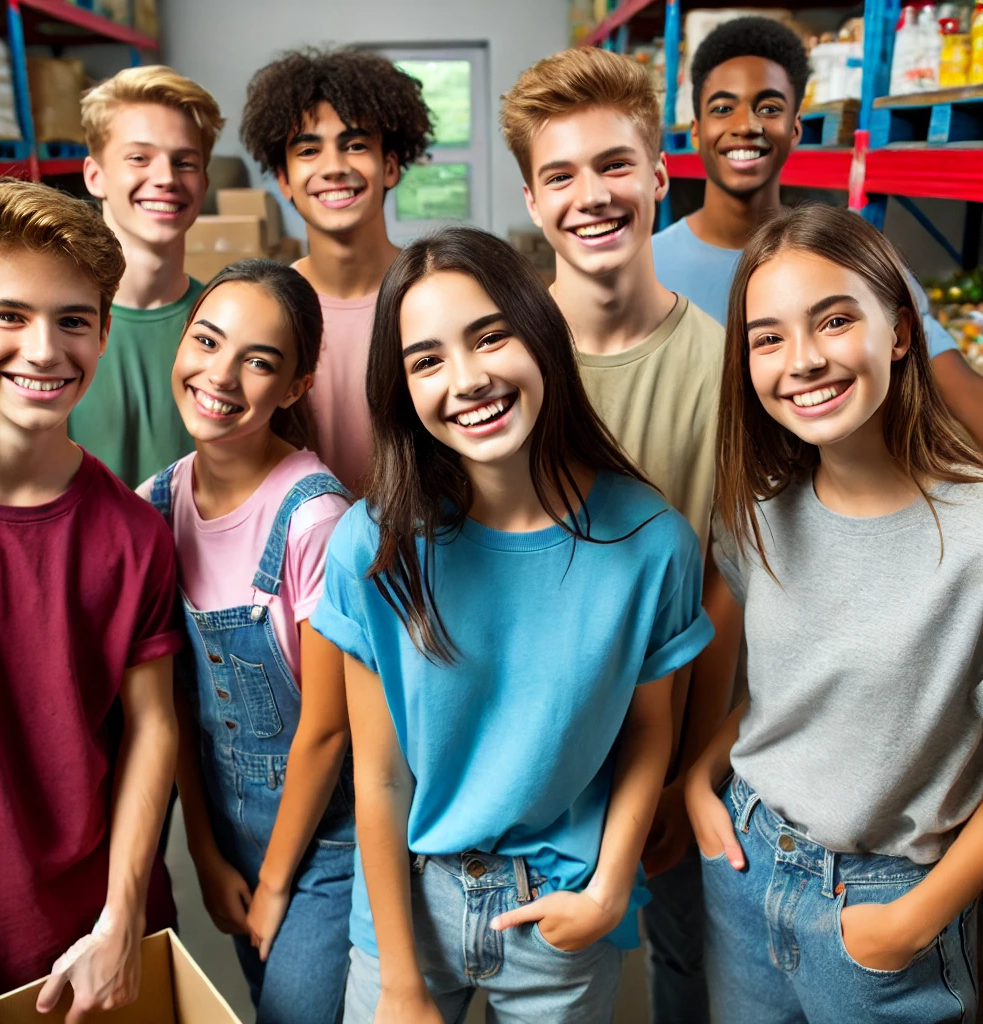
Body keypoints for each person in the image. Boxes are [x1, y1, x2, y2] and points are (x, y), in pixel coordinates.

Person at [310, 227, 713, 1024]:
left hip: (559, 908)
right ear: (403, 390)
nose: (467, 379)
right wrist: (396, 980)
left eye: (490, 335)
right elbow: (381, 777)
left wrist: (606, 894)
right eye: (427, 360)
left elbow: (647, 738)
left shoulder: (652, 543)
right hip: (408, 910)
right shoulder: (372, 543)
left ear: (541, 336)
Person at [686, 203, 983, 1024]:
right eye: (768, 337)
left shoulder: (974, 533)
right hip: (746, 869)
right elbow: (792, 690)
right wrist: (703, 781)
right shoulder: (759, 512)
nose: (804, 360)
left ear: (898, 329)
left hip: (888, 903)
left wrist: (909, 924)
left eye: (835, 319)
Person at [501, 46, 741, 1023]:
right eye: (559, 174)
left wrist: (691, 767)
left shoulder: (730, 368)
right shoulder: (501, 362)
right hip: (536, 755)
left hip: (676, 730)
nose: (589, 195)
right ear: (530, 198)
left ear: (657, 175)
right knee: (527, 975)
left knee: (690, 966)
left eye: (612, 166)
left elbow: (728, 580)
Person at [0, 180, 180, 1016]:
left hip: (99, 940)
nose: (45, 350)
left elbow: (152, 726)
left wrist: (121, 918)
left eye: (73, 320)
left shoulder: (133, 533)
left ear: (105, 333)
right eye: (9, 316)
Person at [137, 260, 354, 1024]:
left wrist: (273, 885)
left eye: (259, 360)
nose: (221, 376)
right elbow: (177, 709)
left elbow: (328, 733)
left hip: (327, 844)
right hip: (228, 836)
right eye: (208, 341)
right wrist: (203, 846)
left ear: (295, 386)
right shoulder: (154, 507)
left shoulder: (314, 519)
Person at [653, 16, 983, 447]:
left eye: (769, 108)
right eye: (722, 108)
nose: (746, 125)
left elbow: (948, 375)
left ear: (795, 129)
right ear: (696, 131)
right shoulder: (649, 266)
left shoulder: (848, 252)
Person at [239, 49, 432, 496]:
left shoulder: (433, 295)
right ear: (284, 179)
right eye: (309, 150)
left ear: (389, 167)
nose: (334, 167)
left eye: (356, 145)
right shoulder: (266, 309)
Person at [69, 65, 225, 486]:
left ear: (204, 182)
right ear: (94, 176)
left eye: (184, 163)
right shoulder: (54, 329)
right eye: (139, 158)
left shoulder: (227, 328)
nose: (166, 179)